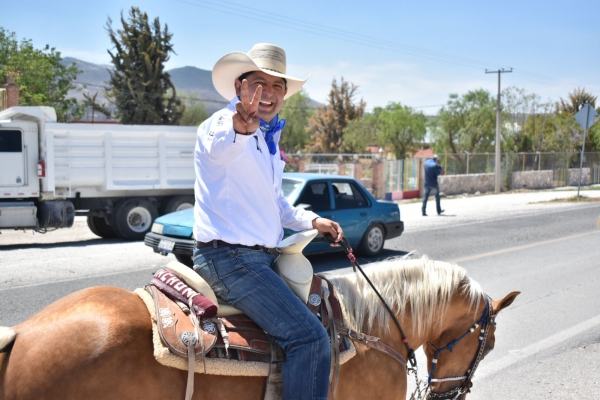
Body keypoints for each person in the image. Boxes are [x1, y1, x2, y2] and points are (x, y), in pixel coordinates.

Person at [192, 43, 343, 400]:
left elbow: (275, 203)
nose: (269, 94)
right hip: (231, 261)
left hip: (258, 258)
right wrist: (240, 130)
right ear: (239, 88)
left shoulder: (265, 138)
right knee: (309, 339)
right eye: (259, 83)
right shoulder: (222, 125)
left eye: (278, 86)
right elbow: (220, 147)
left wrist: (313, 219)